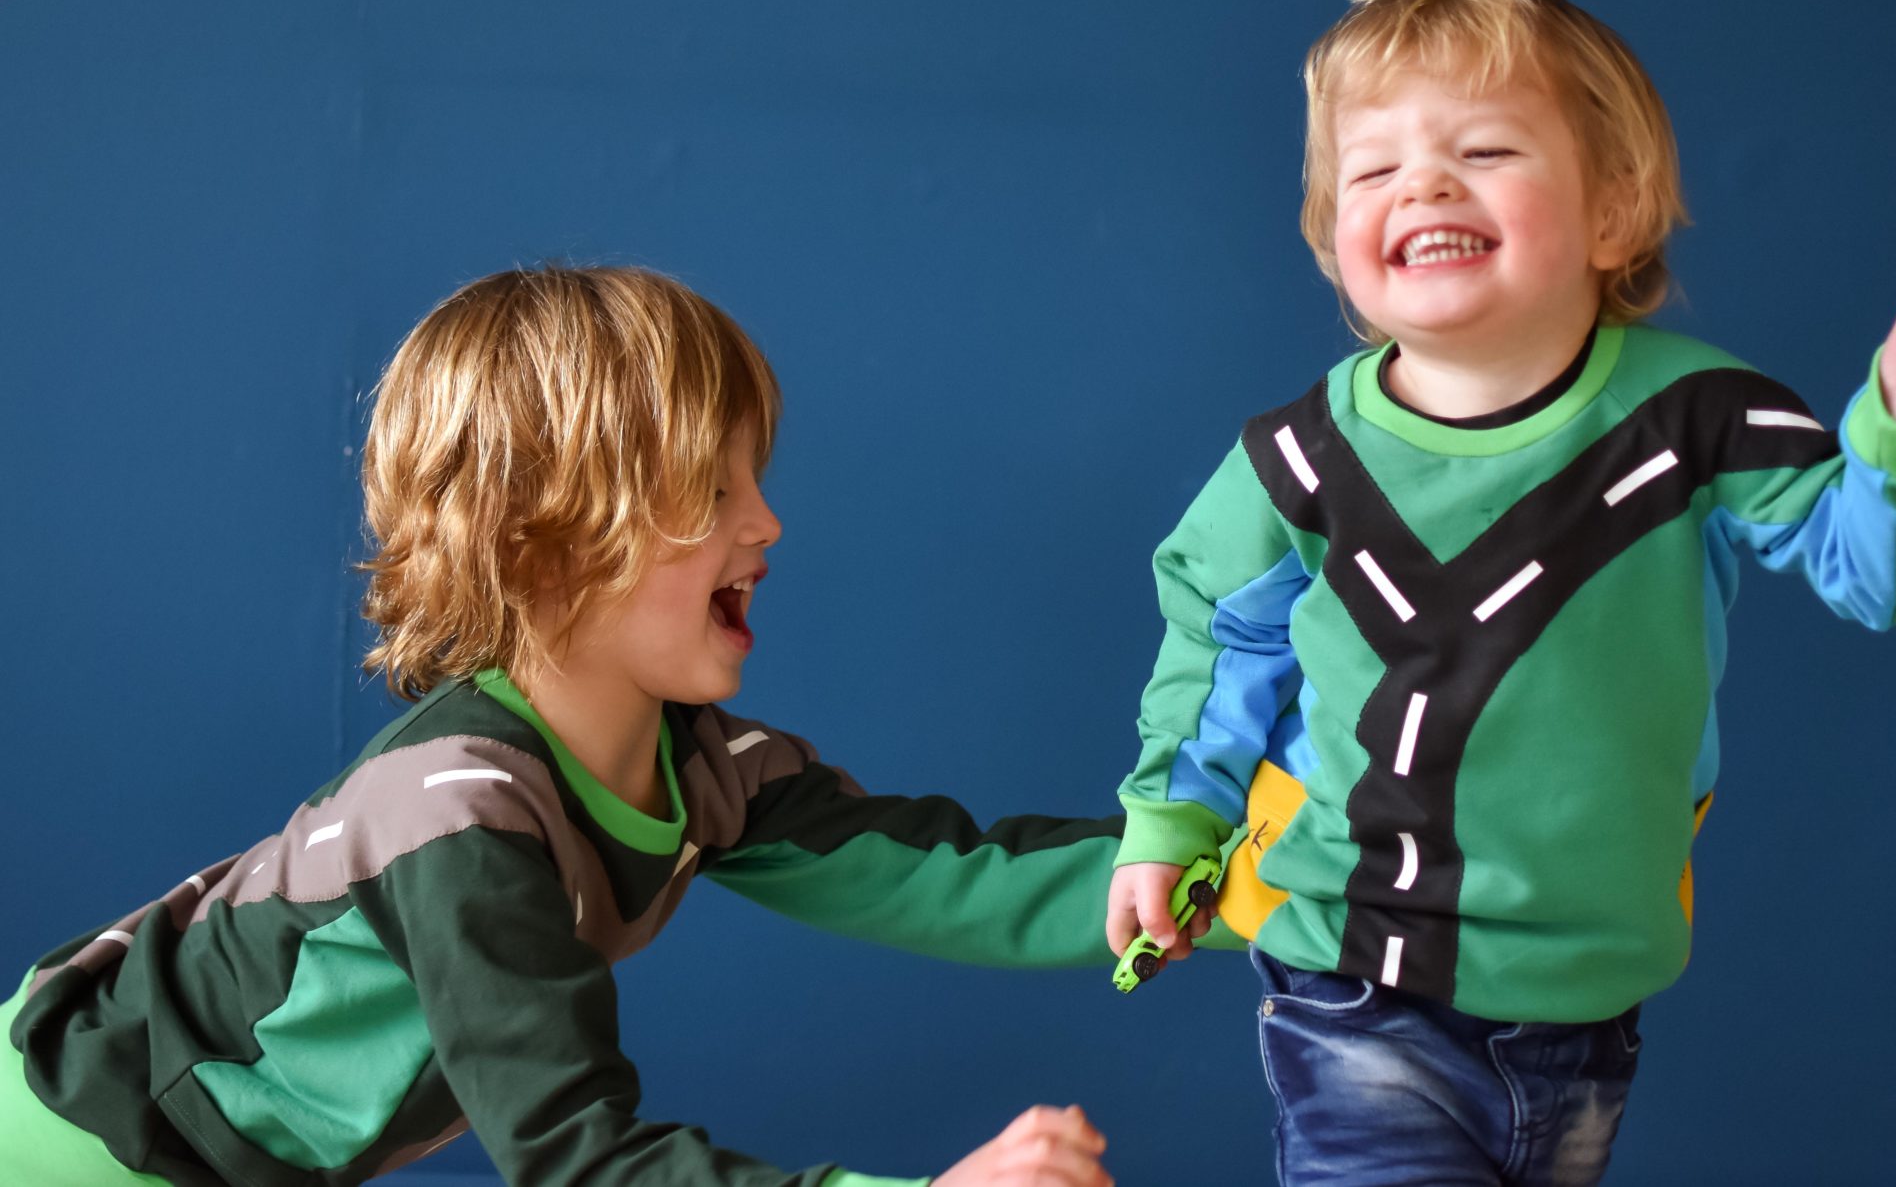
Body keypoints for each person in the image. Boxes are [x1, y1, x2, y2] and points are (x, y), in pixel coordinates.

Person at [1103, 0, 1896, 1186]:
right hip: (1350, 977)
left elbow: (1877, 575)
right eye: (1372, 168)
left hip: (1587, 999)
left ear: (1612, 207)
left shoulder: (1700, 416)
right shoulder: (1289, 462)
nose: (1421, 181)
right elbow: (1217, 649)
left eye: (1483, 150)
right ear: (1334, 244)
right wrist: (1167, 825)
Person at [5, 265, 1118, 1187]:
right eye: (711, 491)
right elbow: (575, 1161)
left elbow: (964, 879)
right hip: (77, 1144)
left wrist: (1248, 868)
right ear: (541, 543)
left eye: (754, 478)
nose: (767, 521)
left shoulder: (708, 771)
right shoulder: (453, 817)